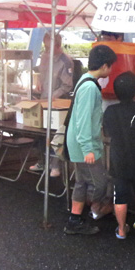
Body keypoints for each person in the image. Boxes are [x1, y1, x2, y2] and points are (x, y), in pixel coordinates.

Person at [63, 45, 117, 235]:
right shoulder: (89, 87)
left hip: (79, 143)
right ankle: (84, 214)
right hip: (83, 144)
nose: (111, 71)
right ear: (104, 66)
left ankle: (75, 219)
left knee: (82, 182)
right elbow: (84, 120)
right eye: (111, 66)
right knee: (99, 183)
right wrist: (88, 149)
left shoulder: (85, 81)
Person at [103, 71, 135, 239]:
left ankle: (122, 229)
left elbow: (107, 133)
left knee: (120, 195)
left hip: (119, 158)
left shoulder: (110, 111)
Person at [29, 32, 74, 177]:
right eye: (45, 47)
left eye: (49, 48)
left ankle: (56, 165)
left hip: (58, 101)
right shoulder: (44, 57)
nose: (47, 50)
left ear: (57, 45)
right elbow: (41, 74)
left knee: (56, 134)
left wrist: (53, 96)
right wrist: (39, 82)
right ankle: (42, 161)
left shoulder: (66, 61)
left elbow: (67, 86)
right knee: (41, 132)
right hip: (44, 98)